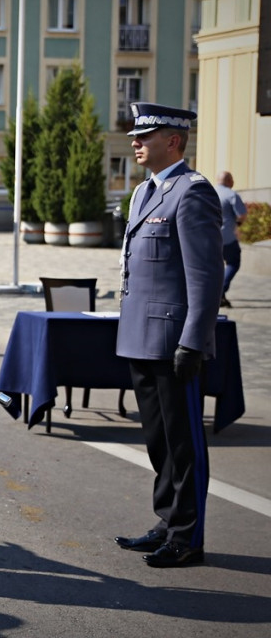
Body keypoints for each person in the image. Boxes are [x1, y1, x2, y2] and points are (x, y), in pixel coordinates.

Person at [114, 102, 223, 569]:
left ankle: (187, 536)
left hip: (174, 340)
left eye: (146, 135)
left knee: (183, 442)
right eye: (136, 136)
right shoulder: (144, 193)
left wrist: (193, 341)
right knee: (158, 440)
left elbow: (205, 277)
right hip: (140, 336)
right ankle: (167, 520)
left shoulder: (192, 192)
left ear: (174, 141)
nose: (136, 143)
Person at [214, 171, 247, 308]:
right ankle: (220, 292)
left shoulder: (210, 192)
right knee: (234, 262)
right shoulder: (231, 194)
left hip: (210, 237)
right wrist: (238, 225)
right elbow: (242, 215)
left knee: (216, 267)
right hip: (227, 237)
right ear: (229, 181)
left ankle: (218, 295)